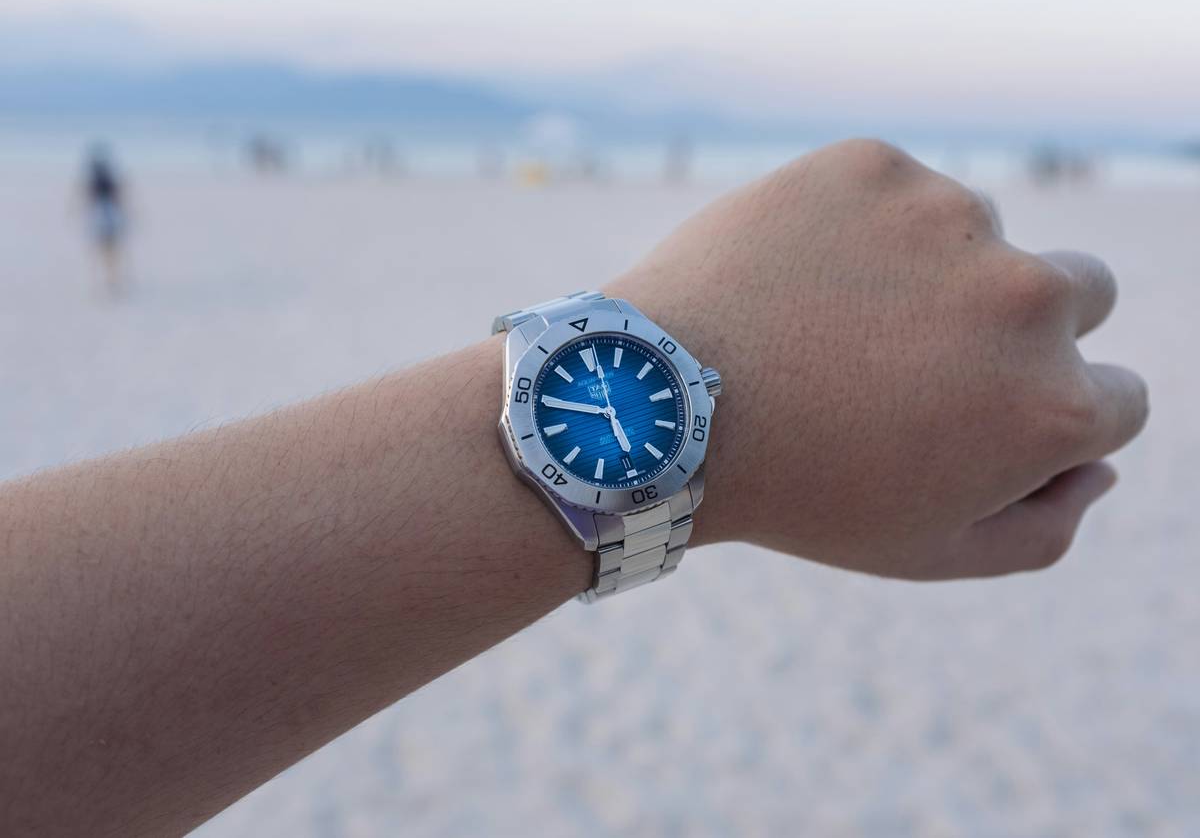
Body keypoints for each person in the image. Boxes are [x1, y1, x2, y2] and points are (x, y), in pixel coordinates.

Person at [0, 140, 1148, 835]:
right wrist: (746, 408)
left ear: (682, 384)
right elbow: (568, 416)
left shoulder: (638, 392)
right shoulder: (589, 393)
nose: (602, 410)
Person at [83, 144, 128, 297]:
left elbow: (87, 198)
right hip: (109, 216)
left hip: (100, 217)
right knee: (111, 251)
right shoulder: (110, 180)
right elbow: (119, 198)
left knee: (103, 251)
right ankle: (112, 280)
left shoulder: (95, 181)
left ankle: (107, 280)